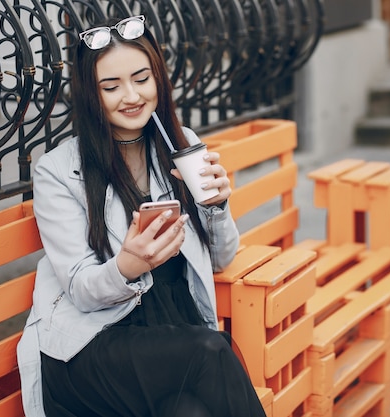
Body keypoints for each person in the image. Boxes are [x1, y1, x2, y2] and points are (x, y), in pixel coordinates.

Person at [16, 14, 267, 417]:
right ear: (90, 94)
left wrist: (217, 208)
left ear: (158, 79)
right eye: (111, 86)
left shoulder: (183, 147)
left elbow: (221, 259)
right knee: (211, 350)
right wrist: (129, 265)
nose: (131, 96)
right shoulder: (58, 170)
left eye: (141, 78)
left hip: (170, 334)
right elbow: (80, 289)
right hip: (94, 345)